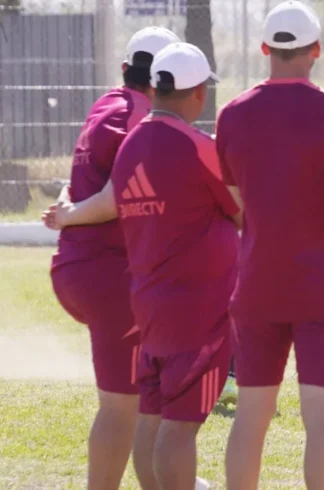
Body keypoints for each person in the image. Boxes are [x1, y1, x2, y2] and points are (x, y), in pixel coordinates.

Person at [45, 43, 238, 490]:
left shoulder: (119, 124)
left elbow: (103, 191)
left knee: (145, 412)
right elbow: (241, 210)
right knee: (164, 420)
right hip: (172, 299)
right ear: (198, 93)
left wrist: (68, 212)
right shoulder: (178, 138)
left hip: (136, 294)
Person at [216, 2, 324, 488]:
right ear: (316, 49)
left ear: (265, 49)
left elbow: (236, 202)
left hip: (257, 281)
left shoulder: (231, 114)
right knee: (322, 425)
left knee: (250, 417)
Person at [42, 26, 179, 490]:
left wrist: (67, 209)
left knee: (143, 400)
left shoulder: (106, 104)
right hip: (111, 275)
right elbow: (119, 195)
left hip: (80, 267)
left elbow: (77, 179)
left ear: (125, 69)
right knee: (123, 408)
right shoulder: (142, 118)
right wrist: (70, 215)